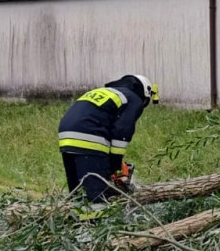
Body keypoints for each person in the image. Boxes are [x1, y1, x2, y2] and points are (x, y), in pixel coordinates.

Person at [58, 74, 158, 203]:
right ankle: (97, 220)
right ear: (145, 93)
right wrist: (115, 165)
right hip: (89, 136)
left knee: (78, 191)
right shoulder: (133, 98)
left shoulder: (102, 92)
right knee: (97, 194)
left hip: (66, 136)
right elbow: (122, 130)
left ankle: (77, 220)